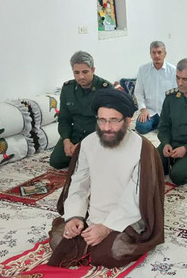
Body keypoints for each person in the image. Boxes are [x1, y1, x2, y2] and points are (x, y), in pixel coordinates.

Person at [49, 89, 165, 268]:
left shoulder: (142, 149)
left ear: (127, 121)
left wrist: (107, 227)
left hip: (127, 218)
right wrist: (75, 217)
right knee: (59, 240)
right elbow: (79, 184)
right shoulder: (88, 143)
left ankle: (107, 237)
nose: (106, 127)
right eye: (102, 120)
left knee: (114, 252)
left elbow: (137, 197)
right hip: (93, 214)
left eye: (113, 120)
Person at [50, 51, 112, 169]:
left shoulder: (105, 89)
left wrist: (83, 145)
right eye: (76, 72)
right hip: (76, 133)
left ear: (93, 70)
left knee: (97, 164)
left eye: (85, 72)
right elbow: (64, 119)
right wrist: (66, 140)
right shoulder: (68, 89)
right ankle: (79, 157)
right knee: (56, 161)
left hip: (97, 135)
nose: (81, 76)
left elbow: (108, 123)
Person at [134, 41, 177, 134]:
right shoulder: (143, 70)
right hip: (150, 111)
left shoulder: (173, 71)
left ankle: (161, 125)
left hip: (166, 112)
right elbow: (138, 92)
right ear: (150, 54)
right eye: (154, 52)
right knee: (141, 127)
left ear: (165, 54)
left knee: (175, 129)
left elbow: (177, 94)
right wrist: (143, 109)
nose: (157, 56)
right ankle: (159, 125)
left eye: (159, 52)